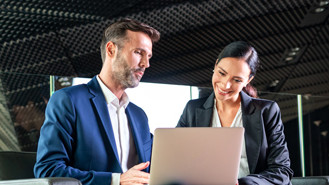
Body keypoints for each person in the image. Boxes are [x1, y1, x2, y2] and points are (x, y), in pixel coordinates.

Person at [34, 19, 160, 185]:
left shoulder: (139, 116)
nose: (146, 64)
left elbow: (154, 169)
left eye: (148, 56)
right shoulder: (68, 101)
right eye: (138, 52)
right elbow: (48, 170)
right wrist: (116, 181)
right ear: (111, 49)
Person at [177, 41, 293, 185]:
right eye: (221, 73)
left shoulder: (266, 112)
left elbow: (281, 171)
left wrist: (242, 183)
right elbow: (176, 162)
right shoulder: (192, 110)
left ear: (248, 80)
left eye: (237, 80)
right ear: (215, 65)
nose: (225, 85)